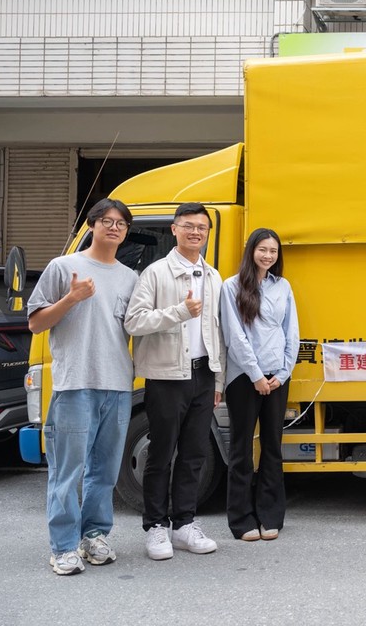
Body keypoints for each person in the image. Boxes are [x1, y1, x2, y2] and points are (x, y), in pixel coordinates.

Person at [27, 198, 139, 576]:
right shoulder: (64, 267)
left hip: (118, 385)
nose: (114, 227)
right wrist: (72, 298)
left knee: (104, 471)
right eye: (106, 221)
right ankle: (62, 546)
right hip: (75, 383)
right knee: (67, 470)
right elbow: (36, 323)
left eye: (121, 223)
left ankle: (95, 535)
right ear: (91, 225)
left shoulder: (130, 277)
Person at [124, 203, 224, 560]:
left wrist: (218, 379)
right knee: (161, 454)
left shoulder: (212, 275)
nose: (196, 232)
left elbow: (215, 330)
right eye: (189, 226)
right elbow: (134, 322)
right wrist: (179, 312)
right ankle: (155, 527)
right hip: (166, 376)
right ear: (174, 229)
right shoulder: (155, 273)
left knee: (195, 454)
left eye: (202, 227)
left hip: (203, 373)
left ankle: (184, 525)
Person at [219, 227, 299, 542]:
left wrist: (283, 372)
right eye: (262, 249)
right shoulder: (232, 286)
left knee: (272, 447)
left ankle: (270, 516)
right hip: (243, 378)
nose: (268, 255)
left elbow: (291, 331)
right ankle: (241, 520)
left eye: (273, 251)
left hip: (277, 377)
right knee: (240, 448)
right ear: (251, 250)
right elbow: (234, 335)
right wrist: (255, 375)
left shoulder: (283, 287)